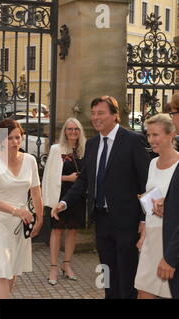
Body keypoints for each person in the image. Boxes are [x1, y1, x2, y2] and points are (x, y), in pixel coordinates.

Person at [51, 96, 151, 299]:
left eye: (101, 113)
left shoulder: (133, 140)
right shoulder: (93, 144)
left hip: (127, 220)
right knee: (107, 271)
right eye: (93, 113)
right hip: (101, 219)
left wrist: (144, 219)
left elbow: (146, 183)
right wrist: (64, 202)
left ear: (115, 115)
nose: (95, 118)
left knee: (127, 272)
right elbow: (84, 180)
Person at [0, 119, 44, 299]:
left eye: (18, 137)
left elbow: (36, 192)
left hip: (20, 225)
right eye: (10, 138)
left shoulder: (30, 160)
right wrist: (15, 210)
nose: (15, 142)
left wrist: (40, 218)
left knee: (13, 270)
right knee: (1, 269)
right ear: (0, 141)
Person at [134, 114, 179, 299]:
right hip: (151, 238)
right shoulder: (152, 163)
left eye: (156, 135)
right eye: (149, 135)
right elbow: (150, 199)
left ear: (171, 135)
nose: (151, 140)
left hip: (170, 239)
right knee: (143, 289)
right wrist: (144, 232)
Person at [42, 117, 87, 285]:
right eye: (69, 129)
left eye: (76, 129)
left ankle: (66, 264)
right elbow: (49, 176)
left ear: (80, 131)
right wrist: (68, 178)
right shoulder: (57, 149)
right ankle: (53, 267)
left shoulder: (85, 149)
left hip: (78, 196)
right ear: (65, 131)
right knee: (57, 231)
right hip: (59, 194)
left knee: (73, 230)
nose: (73, 132)